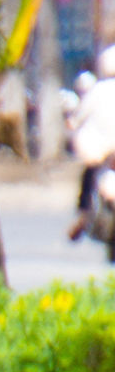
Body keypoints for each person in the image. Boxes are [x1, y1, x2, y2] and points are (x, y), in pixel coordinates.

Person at [69, 46, 115, 239]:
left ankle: (84, 213)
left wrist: (71, 125)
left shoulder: (96, 91)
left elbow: (78, 116)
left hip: (101, 152)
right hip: (105, 152)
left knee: (88, 176)